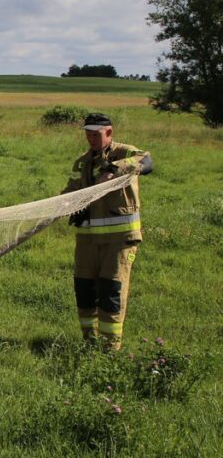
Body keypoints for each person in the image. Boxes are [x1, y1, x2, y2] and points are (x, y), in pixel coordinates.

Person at [62, 112, 152, 351]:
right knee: (84, 289)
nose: (91, 138)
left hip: (119, 240)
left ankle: (109, 350)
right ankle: (89, 341)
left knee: (111, 291)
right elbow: (72, 190)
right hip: (87, 240)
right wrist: (62, 202)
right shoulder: (83, 162)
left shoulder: (125, 153)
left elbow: (147, 162)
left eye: (96, 134)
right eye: (88, 134)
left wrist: (114, 169)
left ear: (109, 132)